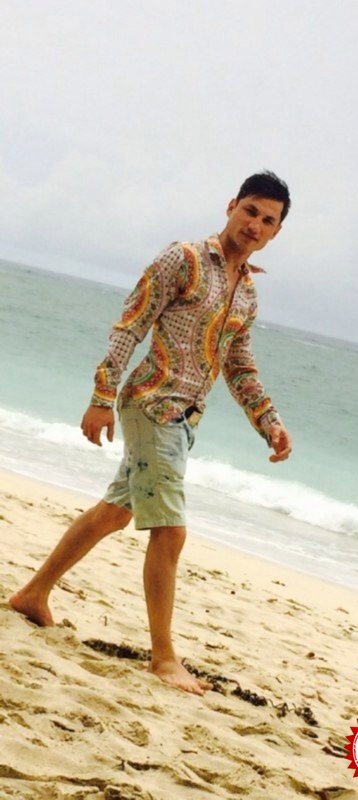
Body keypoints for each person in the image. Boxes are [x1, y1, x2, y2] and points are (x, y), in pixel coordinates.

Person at [10, 170, 293, 695]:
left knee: (114, 513)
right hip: (151, 405)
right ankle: (163, 657)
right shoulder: (183, 260)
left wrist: (268, 421)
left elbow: (238, 364)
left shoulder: (248, 293)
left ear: (276, 232)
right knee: (171, 530)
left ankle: (33, 594)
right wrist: (101, 397)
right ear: (231, 205)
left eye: (268, 220)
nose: (255, 224)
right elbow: (131, 324)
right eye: (250, 210)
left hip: (186, 419)